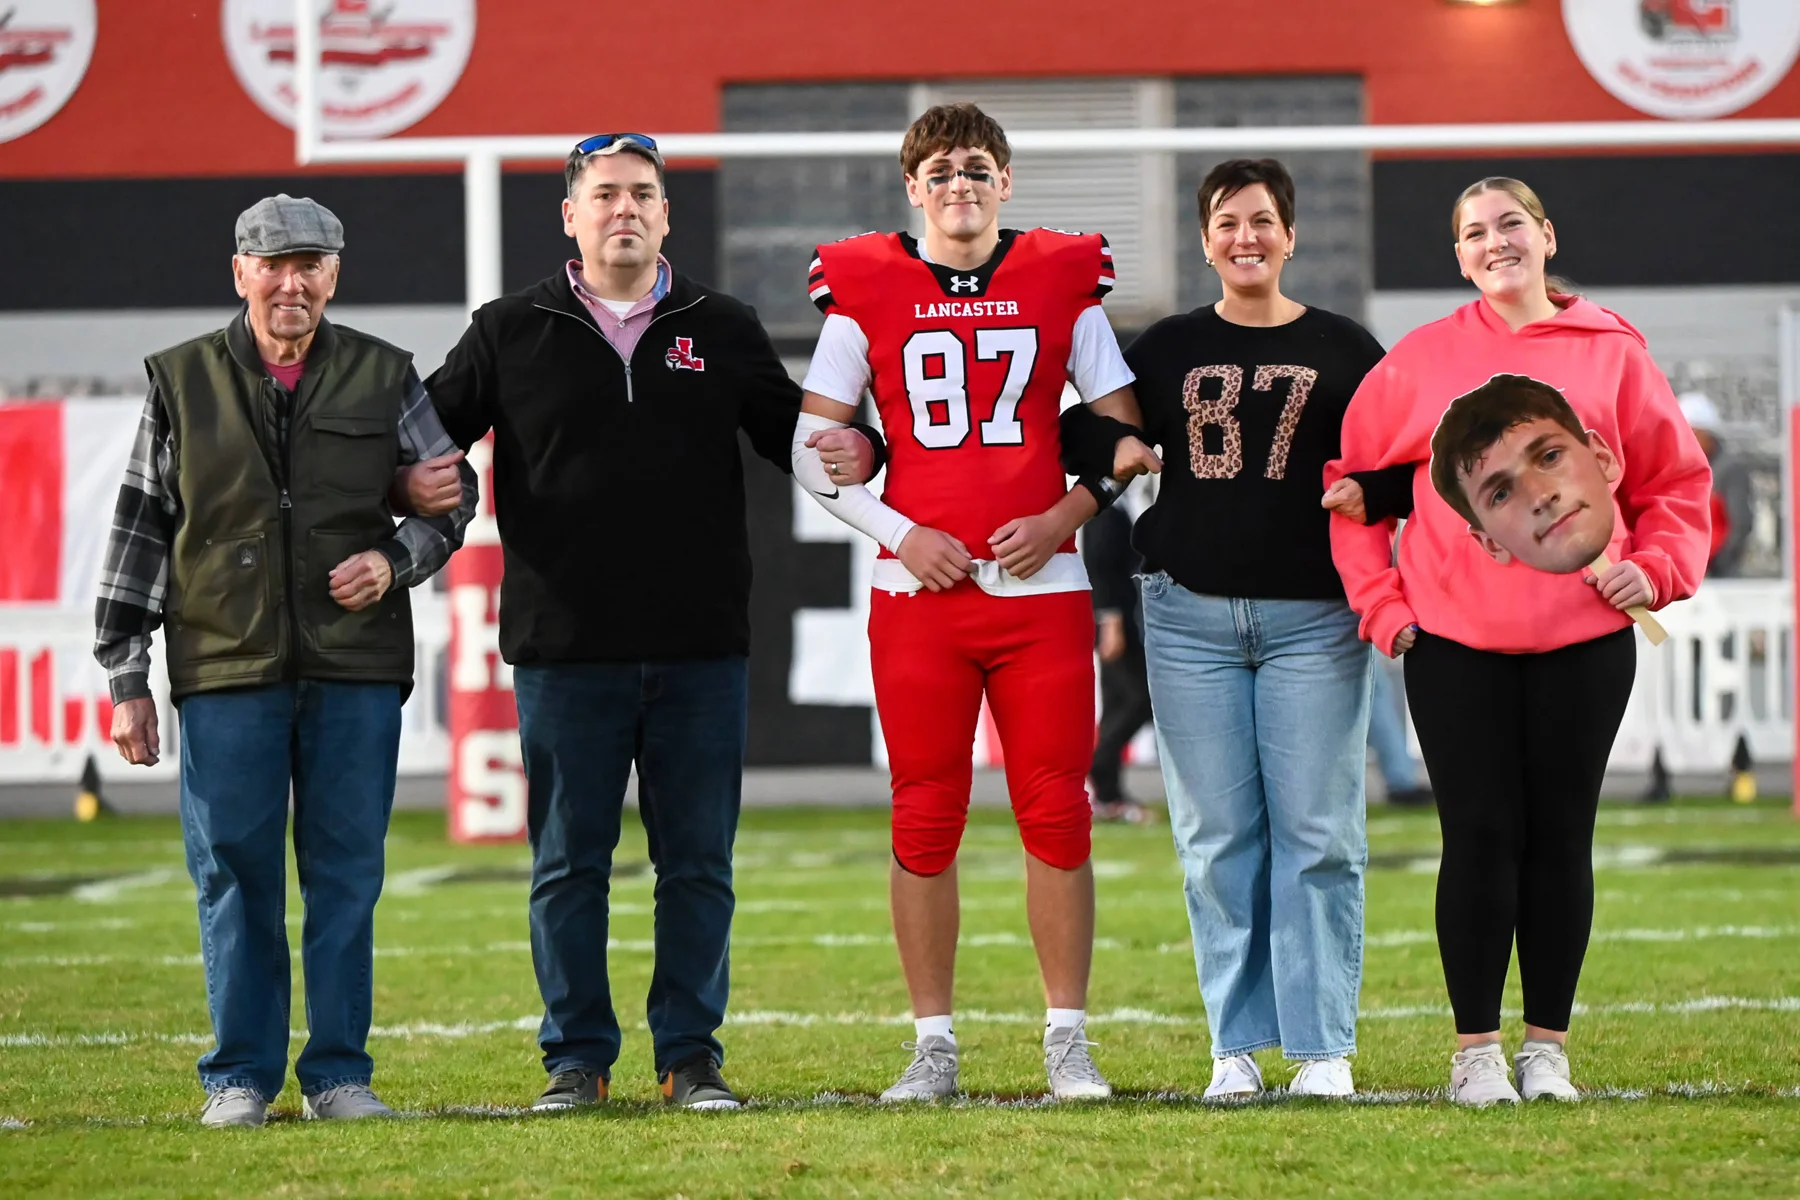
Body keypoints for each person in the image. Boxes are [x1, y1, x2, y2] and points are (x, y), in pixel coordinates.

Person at [424, 134, 878, 1113]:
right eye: (605, 195)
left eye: (642, 194)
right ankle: (575, 1062)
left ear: (666, 215)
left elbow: (801, 434)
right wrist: (405, 477)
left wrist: (866, 443)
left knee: (698, 868)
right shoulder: (507, 330)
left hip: (700, 647)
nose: (623, 209)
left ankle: (691, 1057)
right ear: (570, 217)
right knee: (567, 868)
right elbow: (421, 436)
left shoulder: (723, 325)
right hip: (563, 650)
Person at [794, 103, 1159, 1102]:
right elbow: (809, 445)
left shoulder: (1062, 278)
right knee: (923, 816)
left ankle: (1067, 1038)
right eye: (940, 171)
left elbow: (1124, 437)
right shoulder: (864, 283)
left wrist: (1064, 515)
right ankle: (933, 1044)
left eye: (977, 169)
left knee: (1060, 813)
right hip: (920, 592)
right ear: (912, 189)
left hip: (1042, 593)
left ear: (1006, 181)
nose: (959, 185)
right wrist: (898, 531)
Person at [1326, 177, 1710, 1106]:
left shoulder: (1614, 354)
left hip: (1583, 641)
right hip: (1455, 644)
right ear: (1459, 257)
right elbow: (1349, 491)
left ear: (1545, 235)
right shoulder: (1420, 361)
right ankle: (1474, 1054)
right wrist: (1383, 607)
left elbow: (1676, 486)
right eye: (1474, 233)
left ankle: (1547, 1051)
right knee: (1480, 838)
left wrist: (1654, 571)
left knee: (1558, 840)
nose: (1495, 243)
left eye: (1510, 225)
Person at [94, 194, 476, 1128]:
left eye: (309, 264)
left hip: (355, 667)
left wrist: (394, 562)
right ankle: (239, 1079)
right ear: (241, 273)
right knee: (235, 873)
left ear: (334, 275)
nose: (290, 281)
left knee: (346, 876)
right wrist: (126, 677)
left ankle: (341, 1074)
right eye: (272, 263)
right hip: (224, 666)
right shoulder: (180, 380)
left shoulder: (388, 377)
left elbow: (449, 506)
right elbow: (141, 526)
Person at [1124, 158, 1402, 1099]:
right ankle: (1234, 1045)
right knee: (1217, 838)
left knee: (1320, 831)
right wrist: (1112, 447)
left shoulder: (1347, 345)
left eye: (1262, 222)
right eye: (1227, 223)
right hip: (1188, 615)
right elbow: (1088, 426)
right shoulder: (1161, 347)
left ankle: (1323, 1046)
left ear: (1290, 236)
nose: (1245, 238)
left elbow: (1407, 459)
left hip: (1314, 619)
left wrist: (1378, 492)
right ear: (1204, 241)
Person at [1082, 501, 1155, 824]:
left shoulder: (1117, 507)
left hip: (1125, 622)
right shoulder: (1104, 509)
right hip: (1119, 624)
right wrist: (1109, 621)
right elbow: (1099, 564)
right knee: (1139, 700)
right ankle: (1100, 772)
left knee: (1116, 704)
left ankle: (1108, 793)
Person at [1677, 392, 1753, 577]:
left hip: (1717, 575)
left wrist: (1720, 564)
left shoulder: (1729, 469)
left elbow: (1740, 523)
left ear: (1705, 433)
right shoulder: (1684, 468)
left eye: (1690, 433)